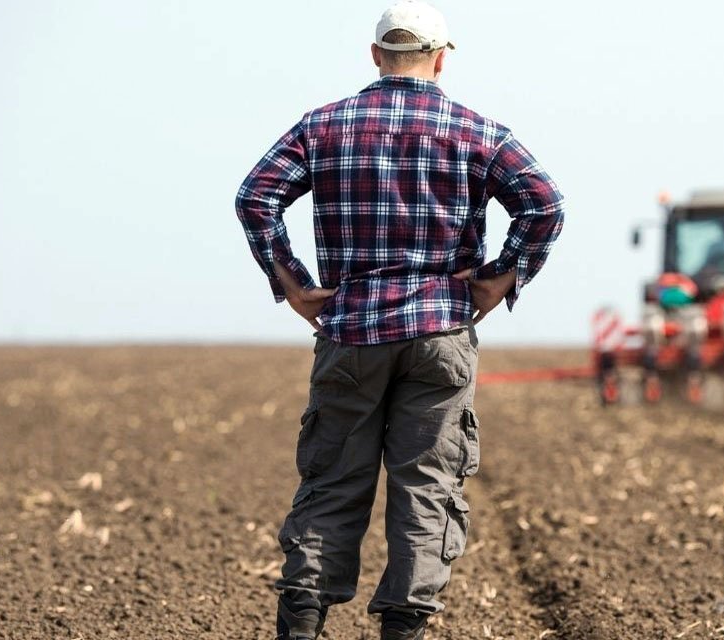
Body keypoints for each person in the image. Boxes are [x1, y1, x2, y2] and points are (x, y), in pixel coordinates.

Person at [233, 3, 565, 638]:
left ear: (375, 55)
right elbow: (544, 204)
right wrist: (503, 275)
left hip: (351, 331)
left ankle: (302, 622)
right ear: (442, 58)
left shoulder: (323, 127)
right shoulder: (478, 131)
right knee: (429, 485)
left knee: (333, 480)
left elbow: (256, 196)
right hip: (440, 333)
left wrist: (292, 281)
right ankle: (404, 626)